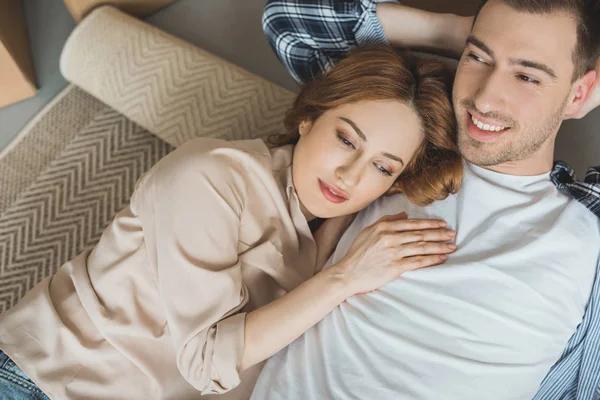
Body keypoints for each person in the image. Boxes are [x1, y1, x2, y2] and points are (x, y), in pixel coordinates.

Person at [0, 46, 464, 400]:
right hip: (43, 380)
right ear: (308, 118)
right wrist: (343, 279)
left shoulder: (336, 219)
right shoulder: (209, 176)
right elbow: (204, 360)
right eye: (346, 139)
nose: (350, 175)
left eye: (383, 167)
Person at [253, 0, 600, 399]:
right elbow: (290, 23)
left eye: (526, 76)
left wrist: (573, 86)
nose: (485, 99)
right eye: (478, 58)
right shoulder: (403, 141)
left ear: (581, 94)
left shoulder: (586, 227)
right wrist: (460, 33)